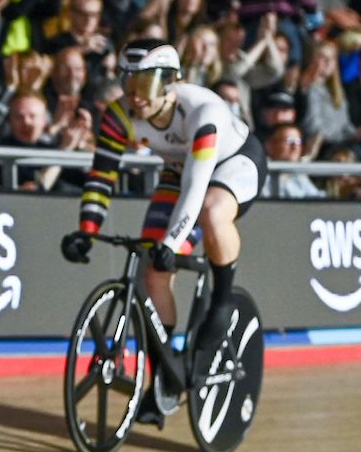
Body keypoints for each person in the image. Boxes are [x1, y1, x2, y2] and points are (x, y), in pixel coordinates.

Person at [62, 39, 268, 427]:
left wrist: (172, 244)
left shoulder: (202, 111)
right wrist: (87, 229)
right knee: (153, 273)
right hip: (180, 169)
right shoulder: (119, 115)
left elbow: (197, 187)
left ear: (170, 82)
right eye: (128, 83)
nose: (135, 96)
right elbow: (103, 174)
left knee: (211, 210)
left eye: (145, 85)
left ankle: (222, 301)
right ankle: (165, 371)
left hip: (232, 163)